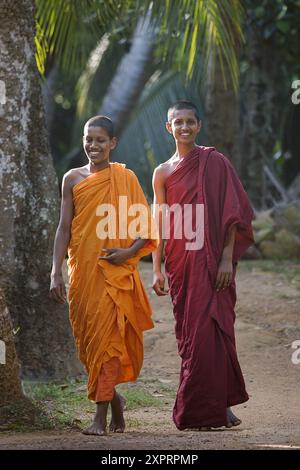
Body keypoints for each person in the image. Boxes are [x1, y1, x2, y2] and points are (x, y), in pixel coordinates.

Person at [50, 115, 157, 436]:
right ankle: (115, 401)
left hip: (114, 273)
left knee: (108, 342)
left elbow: (145, 228)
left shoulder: (125, 178)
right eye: (89, 139)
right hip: (82, 271)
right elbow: (64, 227)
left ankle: (99, 417)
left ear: (113, 144)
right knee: (89, 344)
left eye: (100, 140)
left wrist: (126, 253)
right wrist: (56, 270)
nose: (93, 146)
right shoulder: (71, 178)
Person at [152, 100, 254, 431]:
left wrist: (227, 258)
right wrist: (156, 268)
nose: (184, 127)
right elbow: (160, 222)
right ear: (169, 128)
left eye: (189, 122)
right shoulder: (163, 172)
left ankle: (217, 405)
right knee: (192, 336)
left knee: (217, 329)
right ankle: (208, 406)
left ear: (199, 126)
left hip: (212, 259)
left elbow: (233, 213)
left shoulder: (215, 162)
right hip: (181, 261)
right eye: (177, 122)